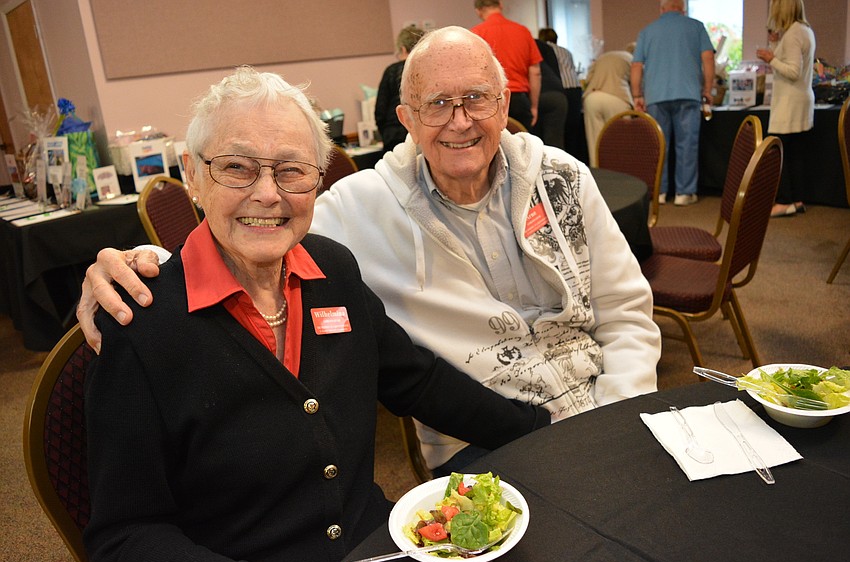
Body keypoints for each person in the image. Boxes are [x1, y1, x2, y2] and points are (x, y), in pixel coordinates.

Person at [78, 27, 660, 478]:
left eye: (477, 99)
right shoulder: (358, 209)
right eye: (436, 104)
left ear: (505, 105)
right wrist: (139, 262)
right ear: (406, 119)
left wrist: (619, 413)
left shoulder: (563, 176)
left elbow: (626, 312)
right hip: (481, 436)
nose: (459, 122)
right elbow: (253, 228)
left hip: (606, 400)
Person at [81, 66, 550, 562]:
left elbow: (418, 382)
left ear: (318, 180)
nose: (268, 193)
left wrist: (541, 429)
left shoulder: (332, 269)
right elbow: (125, 538)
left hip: (376, 550)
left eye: (292, 169)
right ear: (192, 174)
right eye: (237, 168)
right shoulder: (142, 321)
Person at [631, 0, 714, 206]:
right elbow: (708, 59)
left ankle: (659, 192)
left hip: (656, 96)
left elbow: (636, 65)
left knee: (660, 145)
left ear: (662, 8)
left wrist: (637, 95)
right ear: (682, 8)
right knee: (687, 145)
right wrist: (707, 90)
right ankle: (684, 194)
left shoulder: (647, 31)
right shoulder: (696, 27)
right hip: (688, 94)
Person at [756, 0, 815, 218]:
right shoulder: (804, 30)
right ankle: (797, 199)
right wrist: (774, 46)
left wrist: (771, 59)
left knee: (778, 154)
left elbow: (792, 71)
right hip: (800, 100)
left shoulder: (793, 34)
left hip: (789, 103)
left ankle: (784, 201)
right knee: (795, 155)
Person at [471, 0, 542, 131]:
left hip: (492, 101)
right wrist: (534, 106)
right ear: (500, 5)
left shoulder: (475, 35)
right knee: (524, 147)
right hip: (520, 101)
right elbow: (535, 71)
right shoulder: (523, 31)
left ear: (478, 11)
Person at [539, 27, 587, 163]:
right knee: (573, 127)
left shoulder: (544, 50)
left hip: (562, 88)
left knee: (562, 128)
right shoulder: (566, 51)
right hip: (575, 87)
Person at [375, 25, 425, 150]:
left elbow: (380, 112)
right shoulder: (427, 70)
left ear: (402, 49)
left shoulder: (391, 71)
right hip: (421, 133)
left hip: (393, 137)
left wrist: (386, 135)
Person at [583, 47, 635, 167]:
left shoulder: (603, 57)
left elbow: (588, 79)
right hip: (618, 98)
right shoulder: (632, 59)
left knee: (595, 142)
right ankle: (620, 174)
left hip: (593, 97)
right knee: (619, 142)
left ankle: (597, 176)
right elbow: (637, 84)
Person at [532, 38, 568, 149]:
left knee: (535, 144)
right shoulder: (543, 45)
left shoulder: (524, 47)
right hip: (558, 95)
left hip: (539, 95)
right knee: (555, 145)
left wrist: (533, 106)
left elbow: (535, 74)